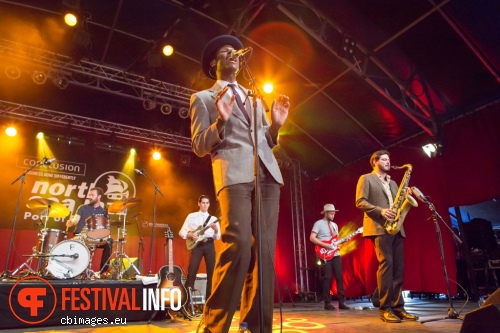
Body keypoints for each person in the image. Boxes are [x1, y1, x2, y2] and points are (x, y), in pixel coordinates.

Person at [190, 34, 290, 333]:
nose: (233, 54)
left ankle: (255, 327)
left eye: (235, 51)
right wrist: (220, 121)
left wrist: (275, 125)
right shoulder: (205, 98)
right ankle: (213, 326)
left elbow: (264, 140)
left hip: (267, 176)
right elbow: (198, 144)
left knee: (264, 252)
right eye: (225, 51)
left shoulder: (254, 97)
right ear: (214, 63)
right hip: (234, 175)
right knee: (239, 247)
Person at [355, 150, 418, 323]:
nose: (388, 162)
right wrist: (381, 211)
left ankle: (399, 307)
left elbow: (398, 202)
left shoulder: (394, 182)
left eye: (389, 159)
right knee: (387, 265)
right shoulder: (366, 178)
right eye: (384, 159)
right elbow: (360, 201)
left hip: (396, 227)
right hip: (379, 227)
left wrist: (406, 195)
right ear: (374, 161)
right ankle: (385, 308)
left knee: (398, 268)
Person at [179, 195, 220, 305]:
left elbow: (217, 237)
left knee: (212, 272)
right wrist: (190, 234)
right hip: (196, 245)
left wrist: (216, 230)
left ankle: (210, 302)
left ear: (209, 204)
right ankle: (186, 302)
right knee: (192, 270)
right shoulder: (191, 216)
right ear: (199, 203)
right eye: (203, 202)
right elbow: (181, 232)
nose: (205, 205)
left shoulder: (213, 219)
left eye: (207, 203)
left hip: (209, 245)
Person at [310, 204, 350, 310]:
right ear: (326, 213)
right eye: (331, 213)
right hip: (324, 254)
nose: (333, 215)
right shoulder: (318, 223)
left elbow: (335, 241)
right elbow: (312, 238)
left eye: (334, 213)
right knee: (327, 278)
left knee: (340, 278)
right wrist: (325, 245)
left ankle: (342, 302)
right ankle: (327, 303)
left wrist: (343, 241)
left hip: (335, 254)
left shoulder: (335, 225)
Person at [66, 187, 113, 275]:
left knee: (109, 243)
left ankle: (103, 272)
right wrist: (71, 223)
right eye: (89, 195)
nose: (90, 197)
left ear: (99, 197)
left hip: (95, 237)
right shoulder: (82, 208)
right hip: (81, 235)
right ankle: (77, 271)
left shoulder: (103, 211)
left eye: (92, 195)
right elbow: (75, 220)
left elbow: (105, 227)